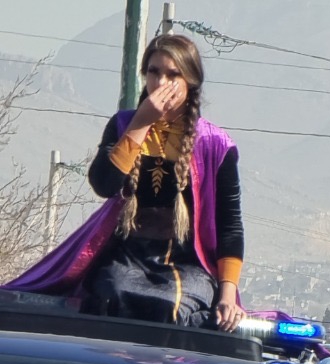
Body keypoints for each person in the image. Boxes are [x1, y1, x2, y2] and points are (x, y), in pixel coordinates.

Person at [4, 35, 245, 331]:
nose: (160, 82)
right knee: (114, 295)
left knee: (171, 305)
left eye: (172, 74)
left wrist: (228, 293)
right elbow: (103, 184)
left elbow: (229, 226)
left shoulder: (215, 145)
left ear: (191, 81)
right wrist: (141, 123)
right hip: (127, 256)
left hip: (186, 263)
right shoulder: (123, 124)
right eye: (154, 72)